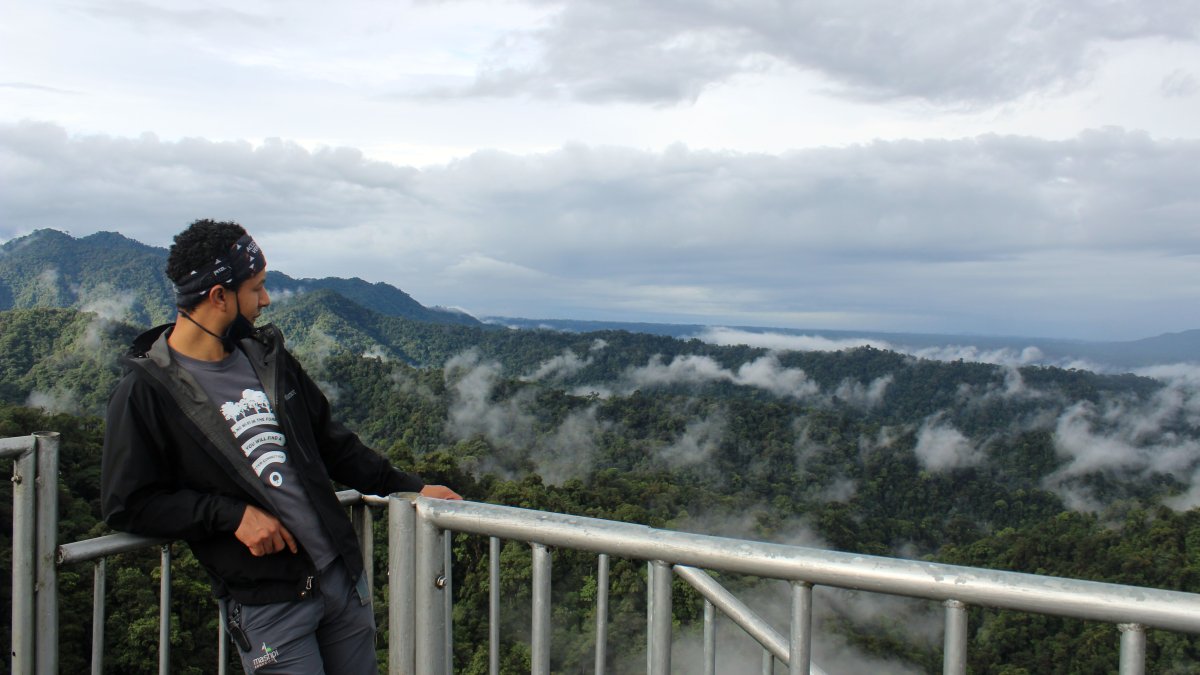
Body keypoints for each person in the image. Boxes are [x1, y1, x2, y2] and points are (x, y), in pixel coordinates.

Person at [101, 219, 460, 674]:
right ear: (219, 296)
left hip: (340, 579)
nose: (266, 300)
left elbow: (331, 442)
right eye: (256, 288)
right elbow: (128, 504)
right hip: (268, 602)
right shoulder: (147, 392)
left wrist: (410, 488)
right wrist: (231, 516)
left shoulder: (267, 359)